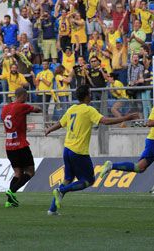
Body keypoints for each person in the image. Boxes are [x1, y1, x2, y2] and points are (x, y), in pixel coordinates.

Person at [45, 84, 138, 215]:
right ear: (87, 96)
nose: (91, 95)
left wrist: (49, 129)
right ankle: (62, 191)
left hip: (67, 149)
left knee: (67, 179)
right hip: (78, 151)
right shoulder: (88, 110)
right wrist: (123, 118)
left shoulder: (72, 108)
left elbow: (60, 123)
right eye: (89, 93)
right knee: (89, 180)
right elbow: (104, 121)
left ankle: (52, 209)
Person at [1, 87, 42, 207]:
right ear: (23, 96)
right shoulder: (21, 106)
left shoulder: (5, 108)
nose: (27, 98)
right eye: (26, 96)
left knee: (17, 173)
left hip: (9, 146)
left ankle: (9, 201)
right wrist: (39, 109)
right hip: (21, 145)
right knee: (30, 172)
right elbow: (37, 109)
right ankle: (11, 192)